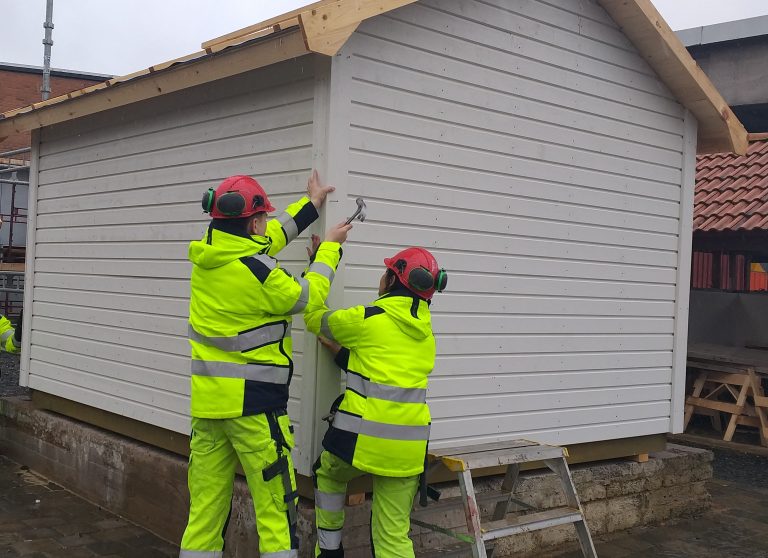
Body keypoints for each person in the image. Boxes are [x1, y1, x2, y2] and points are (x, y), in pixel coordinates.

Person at [180, 171, 352, 558]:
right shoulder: (260, 274)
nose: (266, 227)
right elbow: (309, 295)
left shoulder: (209, 254)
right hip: (254, 409)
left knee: (204, 514)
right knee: (275, 510)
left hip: (208, 409)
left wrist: (311, 206)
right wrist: (329, 250)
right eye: (262, 219)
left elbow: (270, 236)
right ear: (253, 223)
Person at [304, 247, 448, 557]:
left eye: (385, 273)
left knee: (327, 473)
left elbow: (313, 316)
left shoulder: (367, 318)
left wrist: (318, 264)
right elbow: (384, 374)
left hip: (360, 443)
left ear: (391, 280)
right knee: (393, 538)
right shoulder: (426, 334)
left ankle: (329, 551)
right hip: (408, 450)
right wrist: (342, 354)